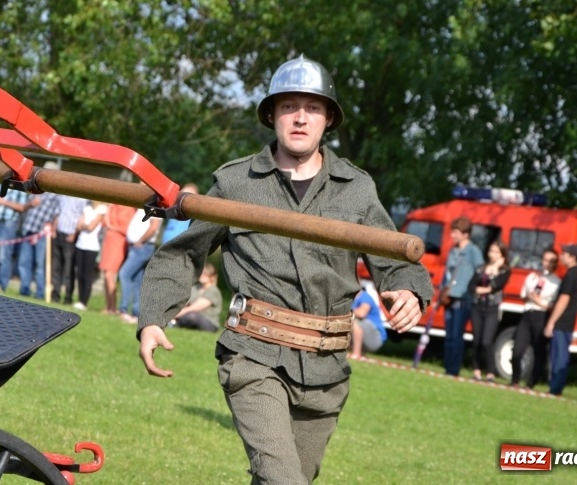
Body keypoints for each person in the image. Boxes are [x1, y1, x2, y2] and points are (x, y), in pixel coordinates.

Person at [137, 54, 433, 484]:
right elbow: (182, 252)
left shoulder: (357, 189)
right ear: (272, 115)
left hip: (326, 370)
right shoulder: (237, 184)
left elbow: (394, 255)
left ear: (328, 119)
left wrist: (407, 289)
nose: (300, 118)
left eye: (312, 108)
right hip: (253, 357)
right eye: (289, 106)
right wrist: (152, 317)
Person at [510, 248, 561, 388]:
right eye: (544, 260)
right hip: (527, 313)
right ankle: (515, 380)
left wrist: (540, 301)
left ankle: (531, 383)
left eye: (550, 261)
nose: (546, 264)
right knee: (517, 350)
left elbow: (554, 304)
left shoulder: (556, 282)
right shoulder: (533, 277)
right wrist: (529, 296)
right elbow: (523, 295)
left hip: (541, 314)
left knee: (539, 352)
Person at [441, 216, 484, 376]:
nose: (453, 235)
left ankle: (454, 369)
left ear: (466, 234)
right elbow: (447, 274)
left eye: (456, 232)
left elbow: (481, 272)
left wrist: (472, 287)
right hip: (450, 296)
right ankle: (447, 367)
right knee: (449, 335)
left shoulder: (473, 251)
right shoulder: (453, 250)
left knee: (457, 335)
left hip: (464, 298)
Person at [468, 240, 510, 382]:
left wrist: (494, 271)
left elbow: (496, 286)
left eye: (496, 252)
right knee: (477, 340)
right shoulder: (481, 268)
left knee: (487, 341)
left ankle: (490, 372)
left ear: (502, 255)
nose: (492, 254)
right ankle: (476, 370)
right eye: (491, 251)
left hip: (492, 308)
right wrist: (481, 290)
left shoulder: (504, 271)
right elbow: (472, 287)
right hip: (478, 307)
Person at [544, 244, 577, 396]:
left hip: (563, 322)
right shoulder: (575, 274)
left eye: (565, 254)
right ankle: (556, 387)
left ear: (573, 257)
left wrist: (551, 321)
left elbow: (563, 299)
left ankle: (555, 387)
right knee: (560, 354)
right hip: (568, 322)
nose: (561, 256)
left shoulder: (571, 275)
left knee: (559, 356)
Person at [17, 169, 61, 299]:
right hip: (28, 229)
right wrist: (31, 203)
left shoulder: (56, 194)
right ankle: (24, 290)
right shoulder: (35, 188)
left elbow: (57, 213)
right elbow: (26, 206)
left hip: (42, 233)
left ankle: (40, 293)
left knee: (39, 265)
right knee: (24, 262)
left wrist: (52, 228)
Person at [118, 208, 163, 324]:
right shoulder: (146, 206)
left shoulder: (156, 207)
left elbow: (154, 227)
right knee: (137, 280)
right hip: (137, 246)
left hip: (143, 246)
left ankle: (123, 309)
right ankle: (136, 313)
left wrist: (141, 240)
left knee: (124, 274)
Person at [0, 186, 30, 292]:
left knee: (3, 257)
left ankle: (1, 284)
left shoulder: (21, 188)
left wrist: (3, 202)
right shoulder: (1, 185)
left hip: (8, 224)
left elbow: (22, 207)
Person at [98, 203, 136, 315]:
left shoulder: (130, 209)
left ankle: (113, 307)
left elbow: (126, 228)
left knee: (110, 274)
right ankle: (108, 306)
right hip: (109, 239)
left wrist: (113, 227)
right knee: (106, 274)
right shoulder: (113, 206)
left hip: (119, 241)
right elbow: (105, 222)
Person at [50, 194, 87, 304]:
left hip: (70, 235)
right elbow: (58, 213)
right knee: (56, 267)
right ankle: (55, 294)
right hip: (59, 233)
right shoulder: (63, 196)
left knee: (68, 269)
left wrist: (75, 233)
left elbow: (82, 217)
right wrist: (53, 228)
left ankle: (67, 297)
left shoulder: (81, 199)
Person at [73, 201, 108, 310]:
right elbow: (79, 225)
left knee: (87, 275)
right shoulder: (87, 206)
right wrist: (84, 225)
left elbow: (91, 227)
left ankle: (84, 301)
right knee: (79, 273)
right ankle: (80, 300)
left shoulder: (102, 208)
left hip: (91, 246)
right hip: (80, 244)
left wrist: (84, 225)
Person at [172, 262, 223, 332]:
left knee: (192, 316)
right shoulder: (195, 288)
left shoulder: (213, 291)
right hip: (190, 315)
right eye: (201, 273)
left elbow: (194, 308)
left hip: (209, 322)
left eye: (205, 274)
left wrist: (175, 315)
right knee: (189, 315)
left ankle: (174, 324)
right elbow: (184, 303)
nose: (202, 275)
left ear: (211, 276)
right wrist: (172, 312)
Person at [349, 285, 386, 360]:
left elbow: (361, 313)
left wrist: (346, 310)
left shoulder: (365, 297)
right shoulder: (350, 299)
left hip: (376, 337)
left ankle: (356, 354)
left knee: (353, 321)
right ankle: (360, 354)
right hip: (367, 335)